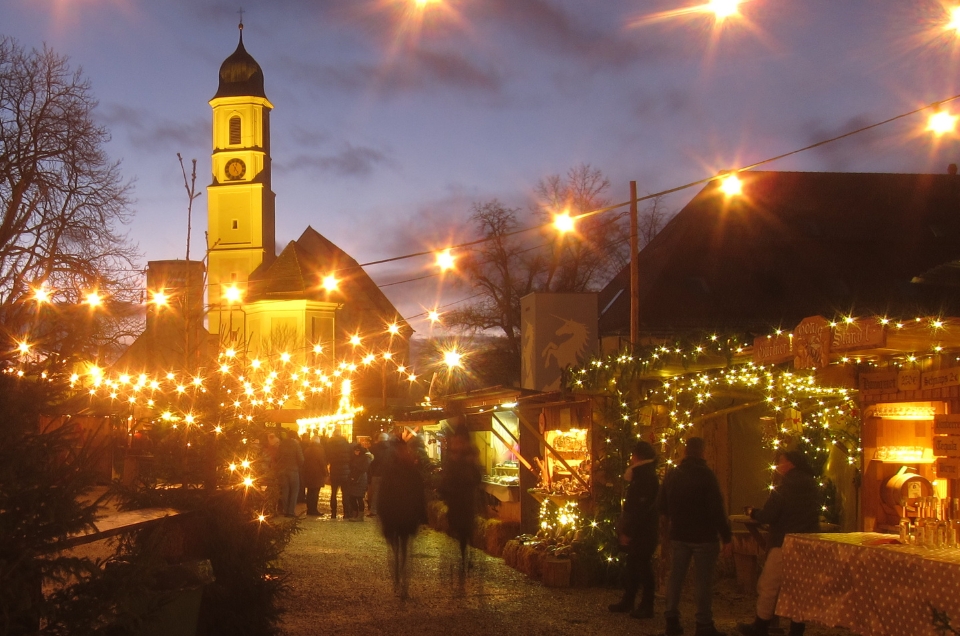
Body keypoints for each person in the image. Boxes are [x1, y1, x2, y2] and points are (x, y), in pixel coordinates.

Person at [736, 450, 820, 636]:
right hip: (806, 544)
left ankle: (760, 626)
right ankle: (797, 630)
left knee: (769, 586)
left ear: (790, 464)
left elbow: (769, 515)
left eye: (781, 461)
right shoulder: (813, 486)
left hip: (784, 543)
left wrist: (753, 513)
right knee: (799, 588)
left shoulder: (785, 488)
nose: (778, 465)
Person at [658, 437, 732, 636]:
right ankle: (703, 624)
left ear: (685, 451)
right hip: (704, 536)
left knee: (675, 577)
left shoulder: (673, 474)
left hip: (679, 534)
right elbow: (717, 509)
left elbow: (662, 505)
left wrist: (666, 532)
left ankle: (671, 620)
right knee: (703, 581)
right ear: (702, 452)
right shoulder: (706, 476)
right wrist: (726, 536)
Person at [609, 440, 660, 619]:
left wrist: (628, 531)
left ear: (638, 457)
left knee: (643, 568)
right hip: (641, 530)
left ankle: (646, 605)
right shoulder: (643, 476)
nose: (631, 458)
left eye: (633, 455)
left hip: (643, 532)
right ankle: (628, 600)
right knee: (633, 566)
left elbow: (639, 509)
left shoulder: (645, 478)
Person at [378, 436, 428, 599]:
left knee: (401, 548)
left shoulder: (395, 470)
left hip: (402, 514)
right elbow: (384, 494)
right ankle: (400, 578)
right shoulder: (407, 471)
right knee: (400, 548)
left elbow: (419, 495)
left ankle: (401, 579)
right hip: (400, 514)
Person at [437, 424, 482, 579]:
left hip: (465, 502)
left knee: (465, 531)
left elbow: (476, 479)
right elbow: (447, 481)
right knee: (460, 531)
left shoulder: (467, 458)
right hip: (457, 502)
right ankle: (464, 556)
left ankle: (464, 558)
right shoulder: (454, 458)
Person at [276, 429, 304, 517]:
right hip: (293, 470)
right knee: (294, 491)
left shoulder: (281, 444)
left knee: (285, 490)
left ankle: (285, 510)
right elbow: (301, 459)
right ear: (295, 436)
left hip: (282, 470)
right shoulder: (296, 445)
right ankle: (291, 511)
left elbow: (277, 457)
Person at [326, 426, 352, 520]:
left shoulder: (330, 445)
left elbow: (328, 457)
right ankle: (346, 513)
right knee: (345, 493)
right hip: (345, 471)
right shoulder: (346, 444)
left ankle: (333, 513)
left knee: (333, 493)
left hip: (334, 471)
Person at [302, 434, 328, 516]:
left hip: (308, 474)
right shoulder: (320, 450)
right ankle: (314, 509)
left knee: (310, 492)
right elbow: (322, 463)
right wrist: (325, 473)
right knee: (315, 492)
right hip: (317, 474)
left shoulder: (307, 450)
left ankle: (309, 509)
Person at [346, 443, 372, 521]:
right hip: (354, 478)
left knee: (359, 497)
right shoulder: (354, 457)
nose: (356, 452)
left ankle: (360, 516)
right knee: (352, 497)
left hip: (361, 479)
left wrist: (355, 466)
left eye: (357, 450)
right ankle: (355, 514)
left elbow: (365, 468)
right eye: (355, 450)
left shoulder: (366, 458)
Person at [367, 433, 391, 517]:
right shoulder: (391, 448)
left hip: (376, 474)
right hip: (388, 474)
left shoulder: (373, 448)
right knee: (388, 493)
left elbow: (369, 462)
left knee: (375, 493)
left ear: (379, 439)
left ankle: (373, 510)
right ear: (387, 439)